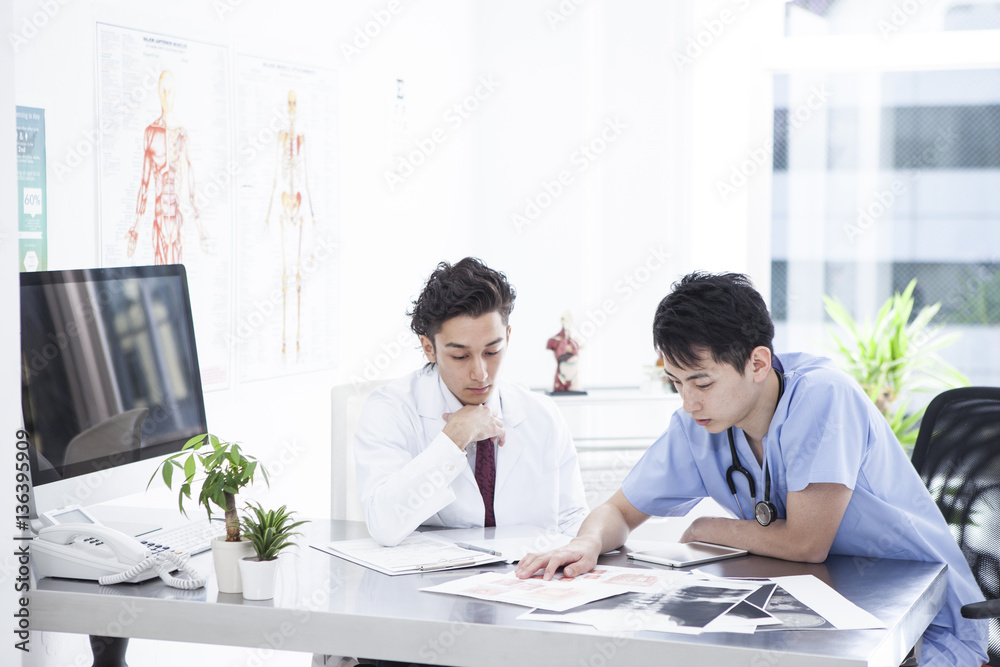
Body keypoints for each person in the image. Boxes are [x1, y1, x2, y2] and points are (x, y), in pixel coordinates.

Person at [516, 271, 988, 666]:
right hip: (818, 615)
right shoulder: (697, 425)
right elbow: (618, 512)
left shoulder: (824, 398)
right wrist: (587, 541)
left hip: (924, 624)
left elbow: (805, 544)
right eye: (676, 383)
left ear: (758, 362)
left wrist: (709, 526)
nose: (688, 401)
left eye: (701, 381)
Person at [354, 257, 589, 548]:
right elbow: (384, 524)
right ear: (429, 348)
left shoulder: (543, 416)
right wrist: (453, 439)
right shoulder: (390, 409)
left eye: (492, 351)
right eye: (460, 356)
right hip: (429, 586)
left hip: (527, 583)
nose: (481, 373)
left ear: (508, 336)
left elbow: (571, 519)